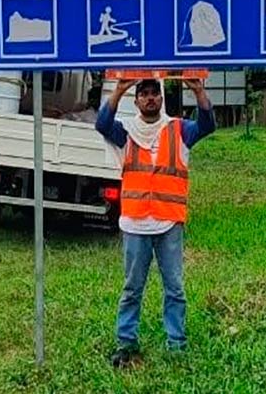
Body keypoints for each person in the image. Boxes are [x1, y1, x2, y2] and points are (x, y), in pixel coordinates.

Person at [95, 78, 215, 366]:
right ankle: (126, 342)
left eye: (154, 94)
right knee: (132, 288)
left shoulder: (179, 129)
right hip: (135, 224)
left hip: (168, 223)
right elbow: (101, 124)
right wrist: (119, 89)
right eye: (144, 94)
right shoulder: (125, 132)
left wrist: (199, 92)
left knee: (174, 288)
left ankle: (176, 343)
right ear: (136, 101)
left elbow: (207, 125)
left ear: (162, 99)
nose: (150, 98)